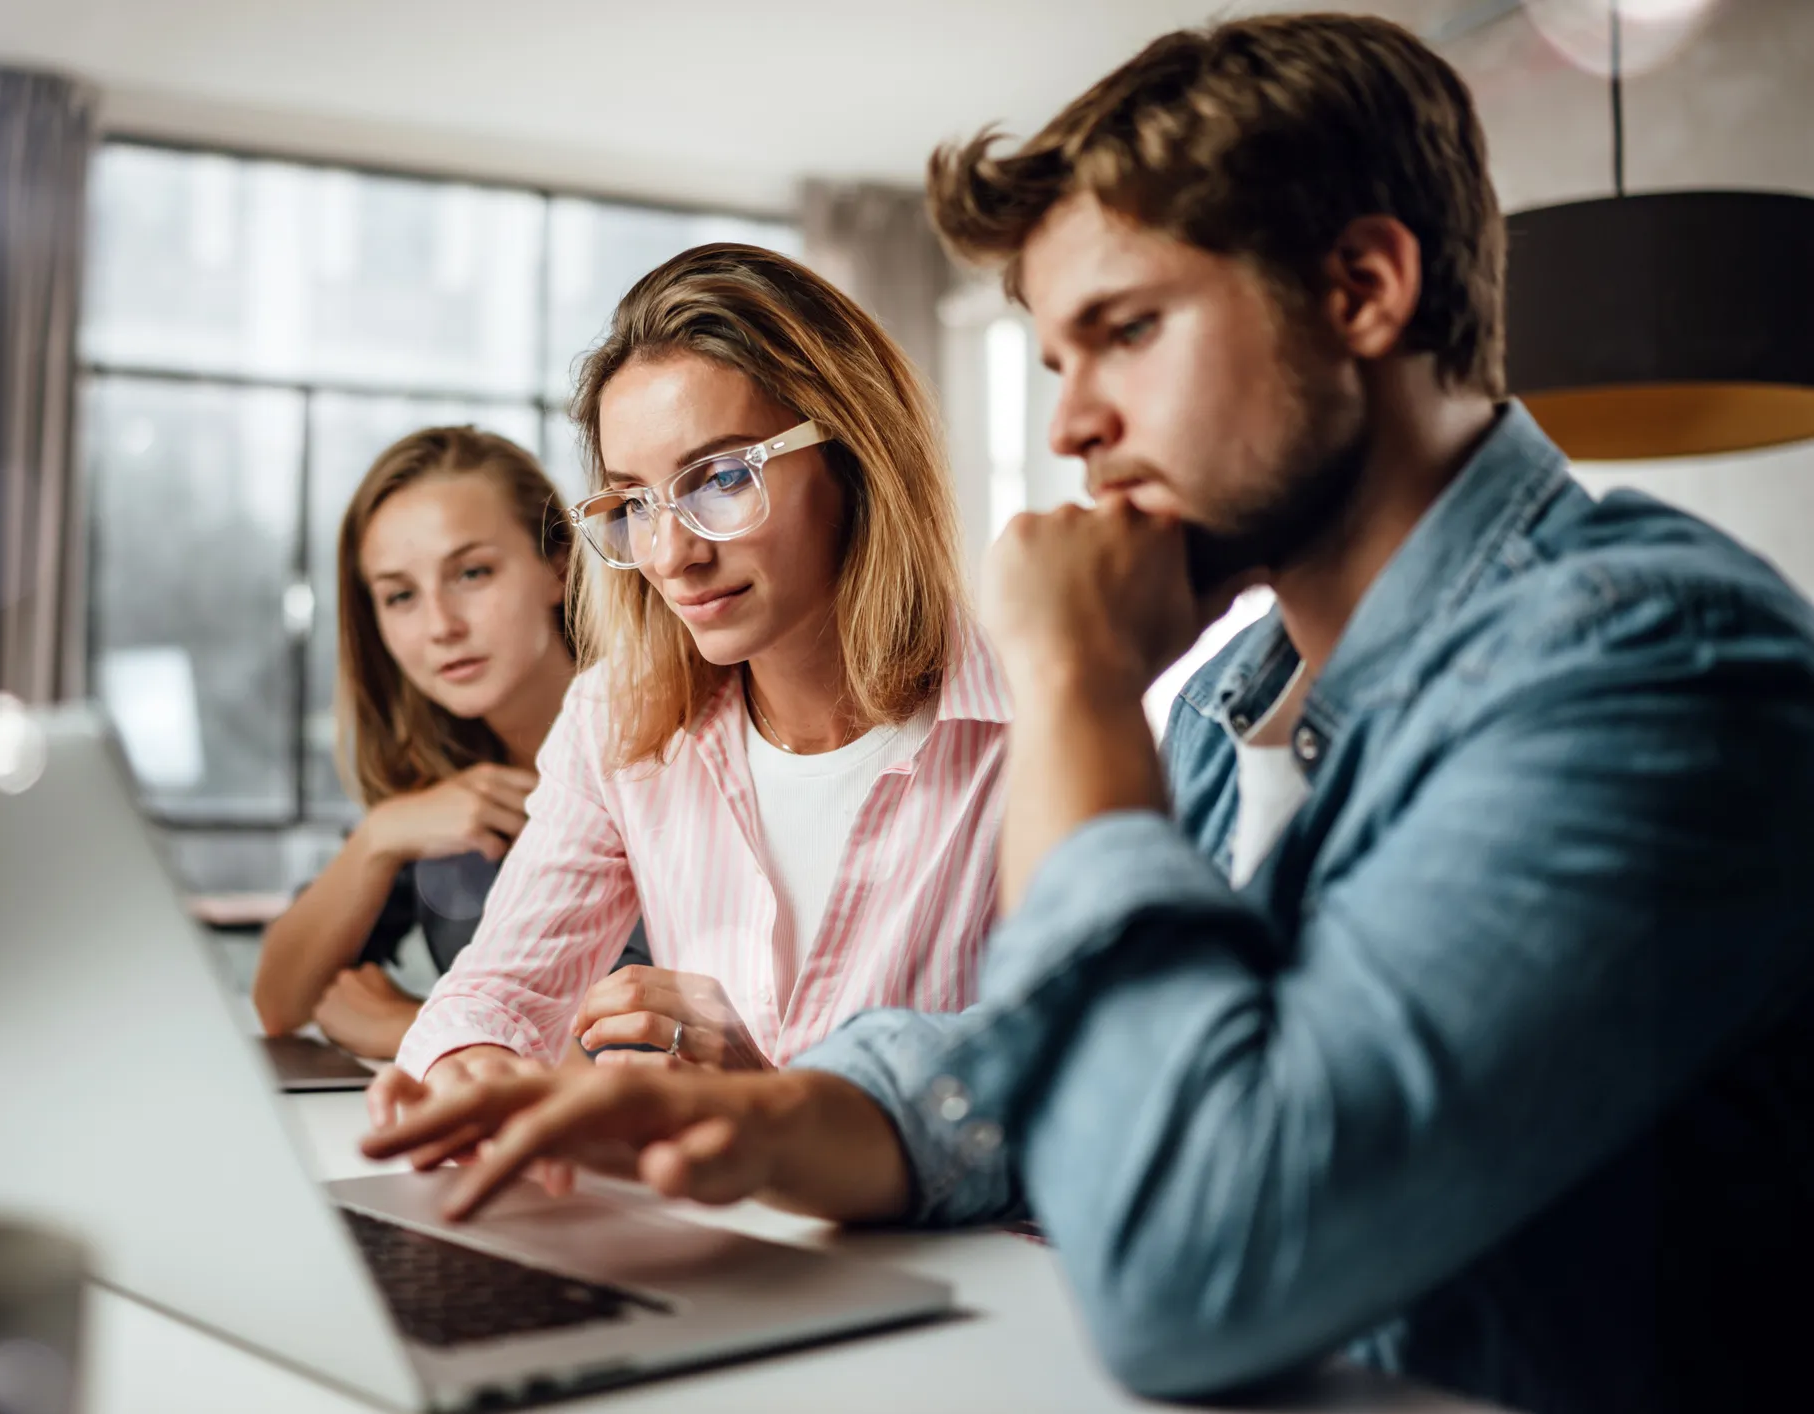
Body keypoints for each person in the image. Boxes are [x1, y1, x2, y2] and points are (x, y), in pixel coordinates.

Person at [357, 16, 1814, 1414]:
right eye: (1058, 359)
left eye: (1125, 332)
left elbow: (1194, 1254)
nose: (1067, 426)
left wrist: (1066, 686)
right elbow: (1043, 1068)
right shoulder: (1240, 707)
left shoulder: (1638, 663)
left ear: (1364, 291)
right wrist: (768, 1122)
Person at [368, 243, 1009, 1106]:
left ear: (855, 460)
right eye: (634, 503)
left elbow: (1077, 1107)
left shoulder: (1034, 725)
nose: (671, 556)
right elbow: (497, 992)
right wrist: (465, 1072)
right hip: (716, 1233)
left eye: (721, 478)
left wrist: (766, 1108)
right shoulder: (618, 721)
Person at [252, 426, 645, 1058]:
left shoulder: (658, 750)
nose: (441, 625)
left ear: (557, 565)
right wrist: (379, 837)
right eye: (400, 595)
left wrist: (413, 1027)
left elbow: (639, 1055)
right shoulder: (446, 788)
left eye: (471, 573)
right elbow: (282, 1003)